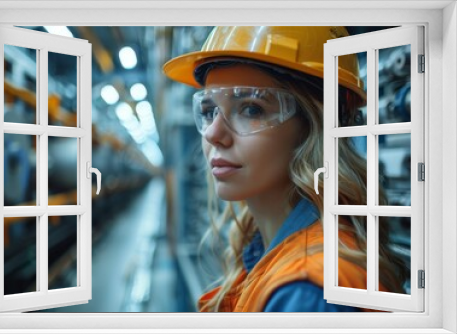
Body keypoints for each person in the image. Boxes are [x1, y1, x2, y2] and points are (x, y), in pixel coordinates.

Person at [163, 26, 407, 312]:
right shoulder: (274, 256)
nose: (214, 134)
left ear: (315, 127)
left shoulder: (306, 294)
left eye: (251, 109)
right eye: (209, 111)